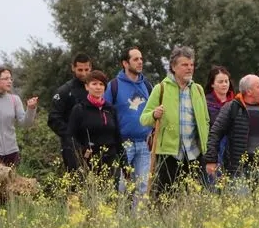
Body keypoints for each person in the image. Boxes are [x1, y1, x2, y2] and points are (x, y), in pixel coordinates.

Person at [140, 45, 211, 200]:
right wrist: (154, 114)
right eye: (184, 64)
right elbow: (144, 118)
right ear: (173, 67)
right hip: (169, 154)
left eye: (191, 64)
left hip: (194, 153)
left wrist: (205, 146)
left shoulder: (198, 90)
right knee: (164, 198)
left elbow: (206, 120)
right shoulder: (161, 88)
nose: (189, 68)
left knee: (195, 198)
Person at [203, 74, 259, 193]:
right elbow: (215, 134)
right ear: (249, 91)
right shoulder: (232, 107)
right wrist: (211, 160)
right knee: (241, 202)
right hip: (238, 170)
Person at [103, 47, 154, 201]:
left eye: (141, 59)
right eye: (135, 59)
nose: (140, 62)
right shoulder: (113, 86)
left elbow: (154, 112)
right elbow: (105, 114)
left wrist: (152, 133)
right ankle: (118, 216)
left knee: (143, 187)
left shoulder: (148, 86)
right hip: (123, 144)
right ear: (125, 63)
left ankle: (138, 216)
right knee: (121, 187)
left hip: (144, 144)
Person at [68, 70, 125, 190]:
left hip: (110, 160)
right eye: (94, 84)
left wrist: (124, 162)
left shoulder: (110, 109)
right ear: (87, 87)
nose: (98, 87)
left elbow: (117, 136)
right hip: (89, 162)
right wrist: (82, 150)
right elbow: (71, 136)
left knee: (111, 196)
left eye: (101, 84)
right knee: (91, 195)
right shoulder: (79, 109)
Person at [0, 67, 38, 167]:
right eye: (5, 79)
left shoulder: (15, 100)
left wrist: (31, 109)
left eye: (10, 79)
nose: (9, 81)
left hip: (12, 153)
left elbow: (25, 124)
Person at [48, 53, 93, 173]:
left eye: (86, 69)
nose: (84, 73)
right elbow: (53, 119)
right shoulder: (64, 91)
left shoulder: (96, 88)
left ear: (90, 68)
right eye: (80, 70)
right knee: (77, 180)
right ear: (73, 68)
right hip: (72, 147)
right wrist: (70, 136)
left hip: (94, 144)